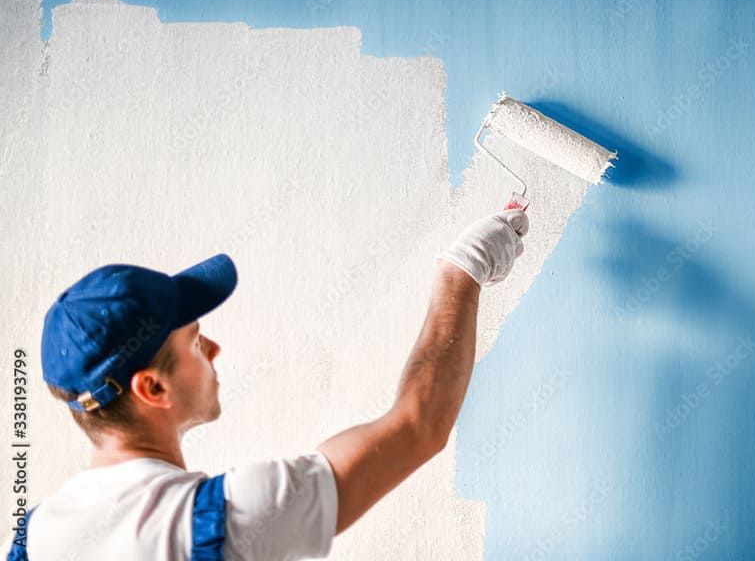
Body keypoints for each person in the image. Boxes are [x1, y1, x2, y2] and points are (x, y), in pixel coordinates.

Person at [4, 209, 529, 560]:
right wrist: (462, 273)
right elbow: (418, 426)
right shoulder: (227, 518)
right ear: (152, 390)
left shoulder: (34, 538)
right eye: (195, 342)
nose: (214, 350)